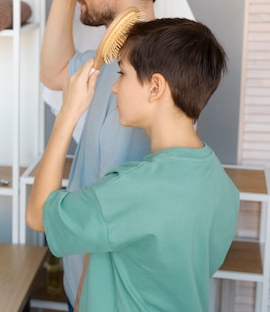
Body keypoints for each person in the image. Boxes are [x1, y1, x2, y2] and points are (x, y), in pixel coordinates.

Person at [27, 18, 239, 312]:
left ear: (155, 87)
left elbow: (38, 216)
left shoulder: (130, 191)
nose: (113, 87)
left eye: (122, 73)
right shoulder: (223, 187)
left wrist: (68, 113)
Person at [39, 0, 167, 308]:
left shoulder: (153, 77)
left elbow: (113, 213)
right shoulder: (110, 57)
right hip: (85, 283)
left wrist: (85, 296)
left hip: (106, 293)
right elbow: (55, 72)